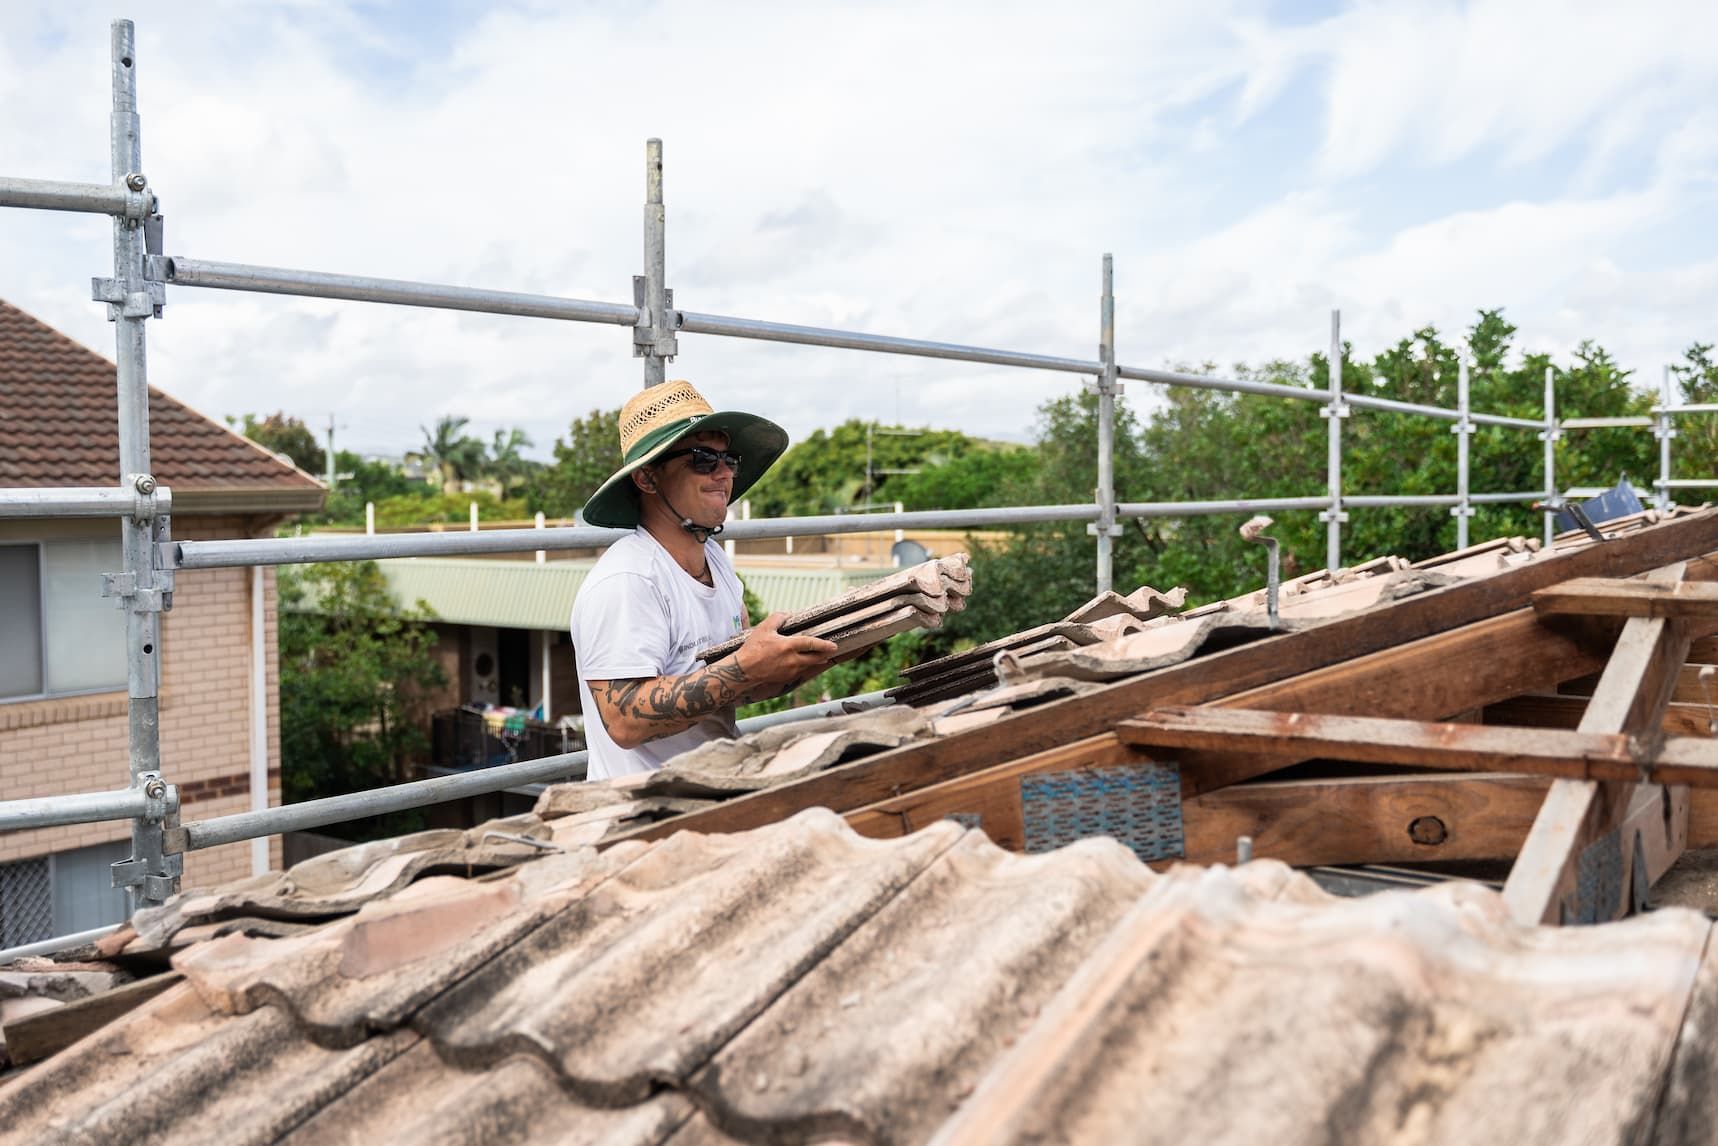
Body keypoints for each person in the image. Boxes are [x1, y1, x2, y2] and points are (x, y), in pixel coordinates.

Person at [571, 379, 837, 780]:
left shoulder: (715, 561)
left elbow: (739, 687)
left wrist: (837, 642)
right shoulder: (628, 580)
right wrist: (745, 667)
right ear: (647, 479)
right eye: (701, 459)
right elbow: (624, 720)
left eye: (728, 460)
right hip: (642, 810)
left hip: (715, 786)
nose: (723, 473)